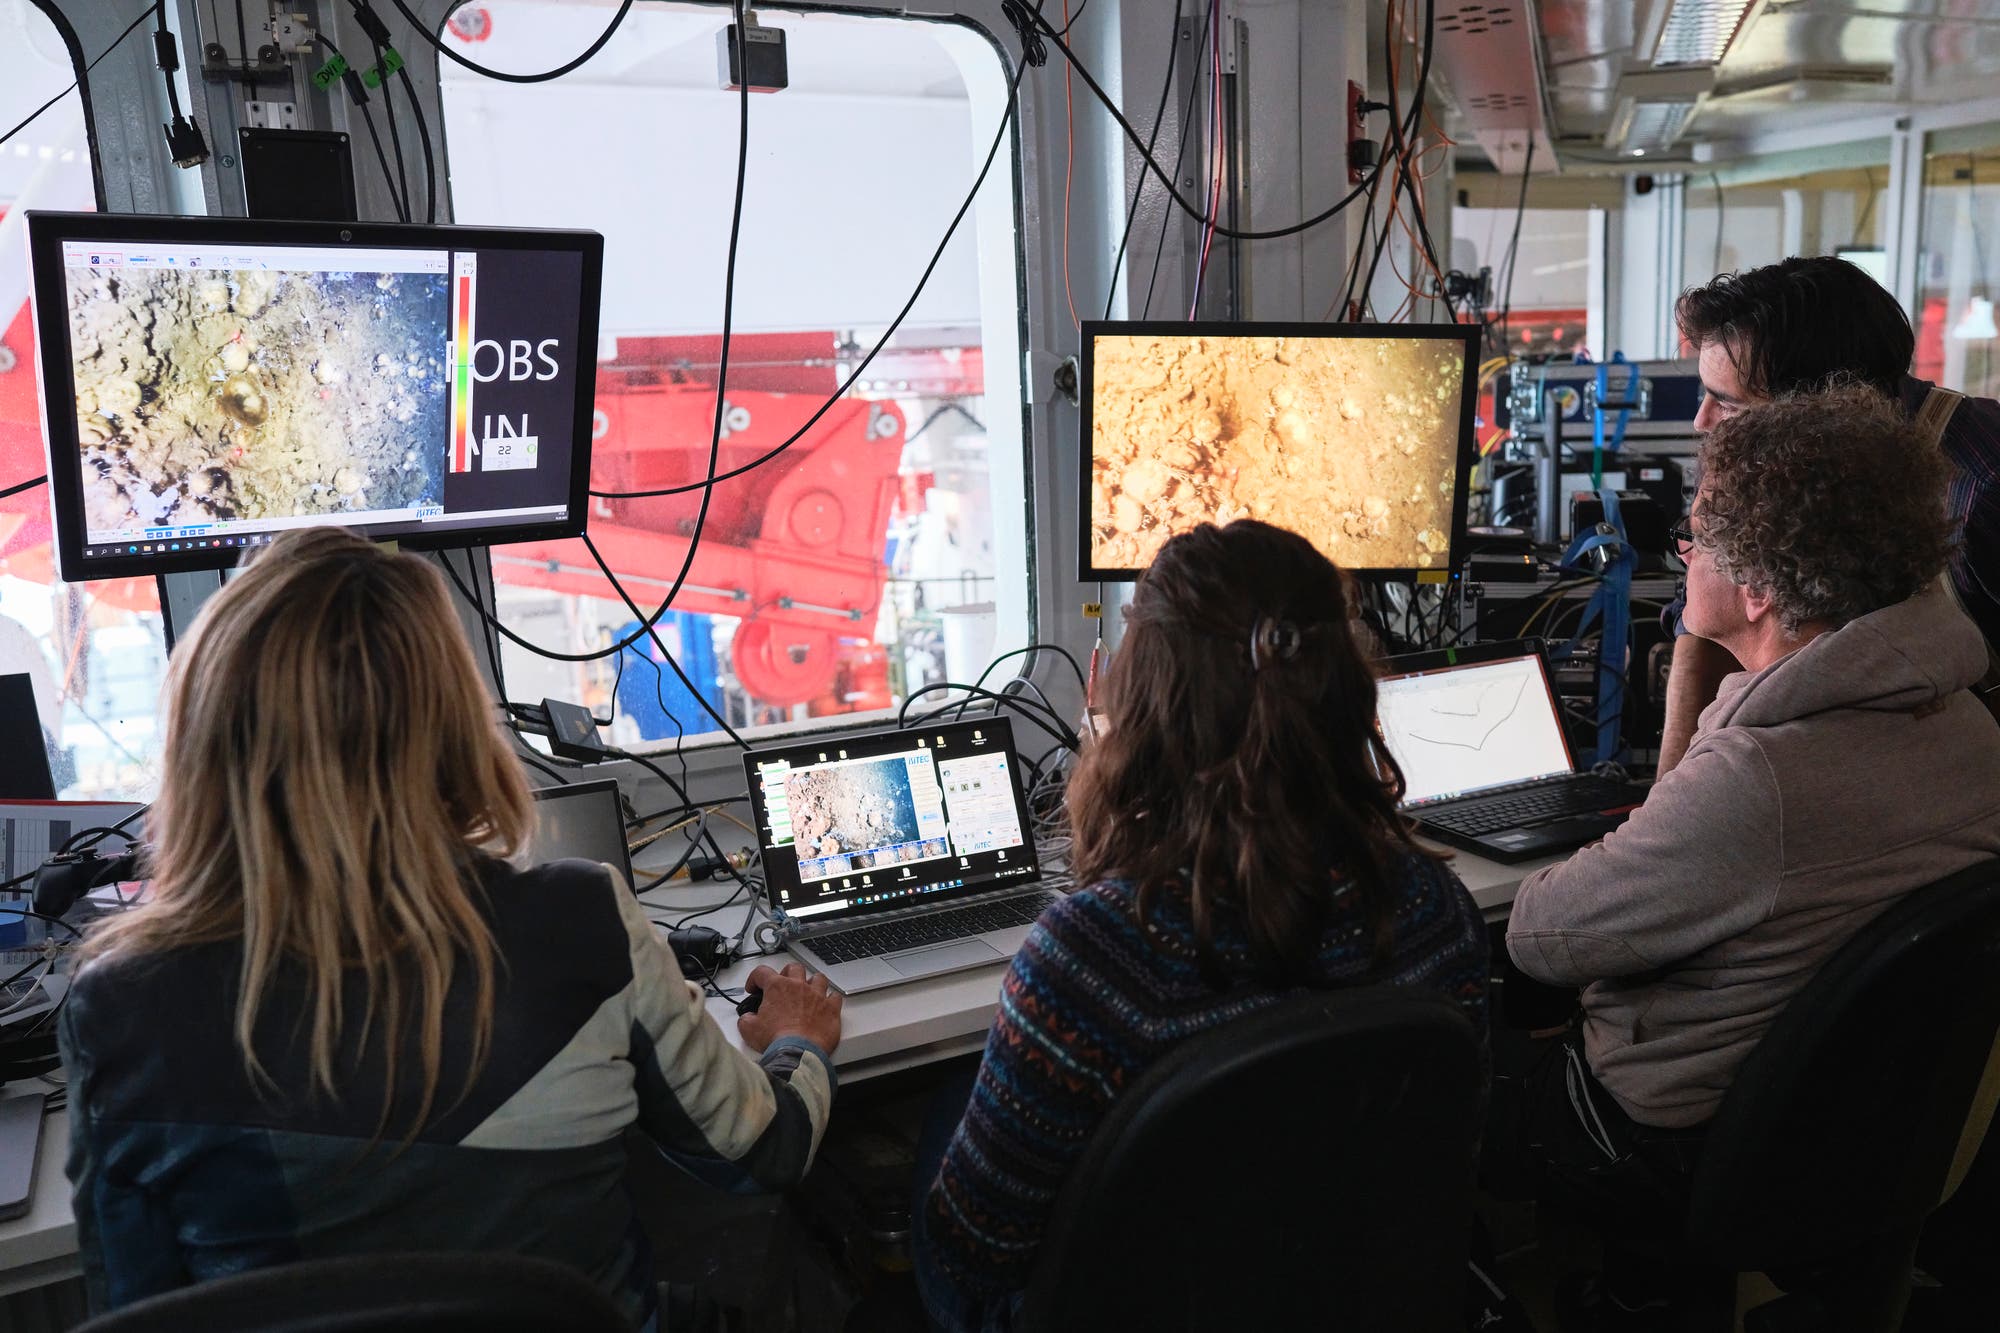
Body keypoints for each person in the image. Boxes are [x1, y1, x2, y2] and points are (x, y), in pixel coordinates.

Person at [58, 528, 844, 1326]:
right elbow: (763, 1155)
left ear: (203, 742)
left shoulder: (117, 1008)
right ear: (453, 730)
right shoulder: (581, 924)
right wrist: (799, 1041)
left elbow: (132, 1308)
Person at [913, 519, 1490, 1332]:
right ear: (1344, 694)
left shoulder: (1088, 961)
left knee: (938, 1122)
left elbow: (972, 1254)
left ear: (1138, 704)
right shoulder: (1438, 913)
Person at [1492, 386, 2000, 1295]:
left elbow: (1541, 934)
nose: (1682, 555)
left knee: (1460, 1059)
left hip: (1671, 1143)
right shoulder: (1969, 724)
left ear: (1759, 587)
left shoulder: (1758, 779)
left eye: (1694, 538)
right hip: (1867, 1137)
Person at [1662, 254, 2000, 771]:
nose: (1702, 421)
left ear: (1814, 411)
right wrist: (1671, 792)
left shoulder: (1981, 488)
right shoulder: (1759, 466)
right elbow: (1706, 621)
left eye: (1726, 403)